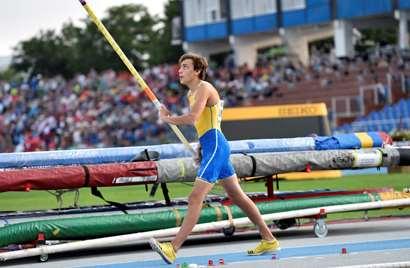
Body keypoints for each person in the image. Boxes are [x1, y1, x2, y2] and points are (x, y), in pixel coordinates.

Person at [149, 53, 280, 264]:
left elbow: (193, 119)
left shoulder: (204, 88)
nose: (179, 71)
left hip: (217, 145)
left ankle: (173, 248)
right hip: (211, 146)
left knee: (195, 198)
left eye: (185, 67)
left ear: (197, 70)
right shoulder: (191, 94)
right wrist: (201, 146)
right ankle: (269, 238)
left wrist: (168, 118)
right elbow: (203, 125)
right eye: (179, 67)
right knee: (237, 196)